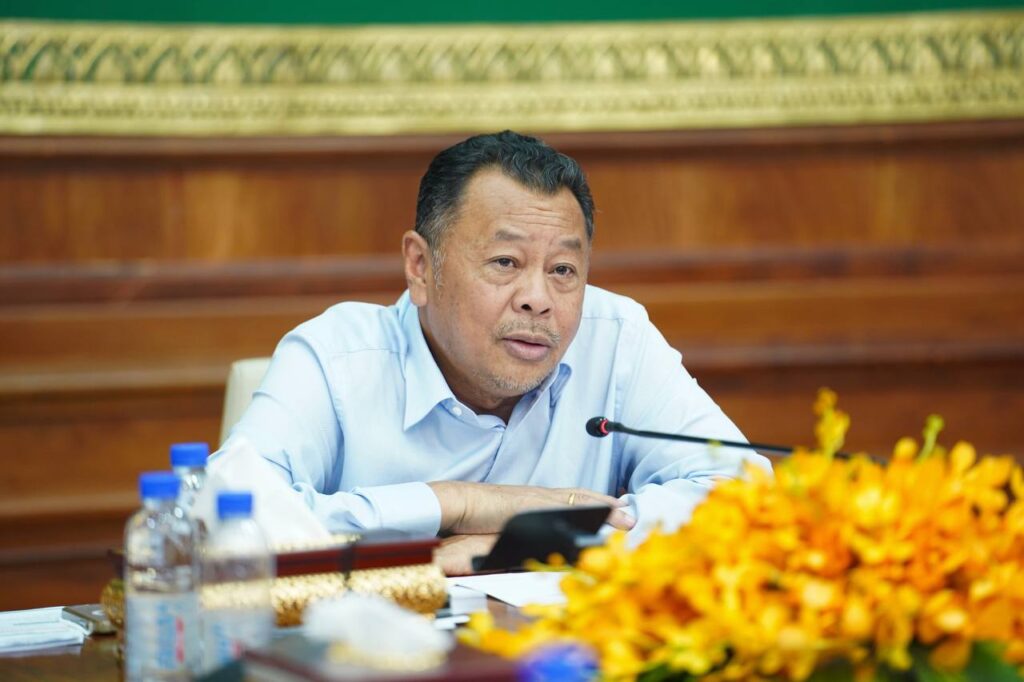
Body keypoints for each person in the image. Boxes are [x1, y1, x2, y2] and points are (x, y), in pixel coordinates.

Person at [224, 131, 770, 574]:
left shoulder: (617, 337)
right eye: (505, 262)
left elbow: (745, 497)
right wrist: (457, 503)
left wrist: (540, 544)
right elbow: (224, 520)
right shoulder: (336, 356)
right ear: (421, 266)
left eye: (563, 271)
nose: (537, 299)